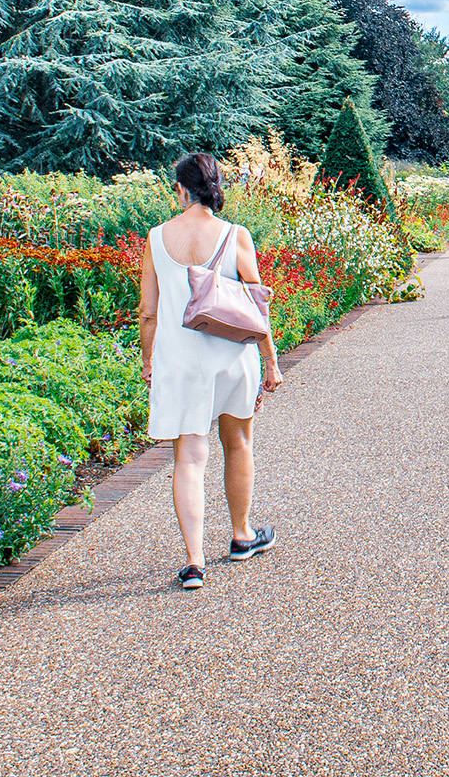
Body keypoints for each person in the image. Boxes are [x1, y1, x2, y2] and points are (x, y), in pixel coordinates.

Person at [138, 152, 284, 590]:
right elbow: (257, 306)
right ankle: (242, 536)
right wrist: (271, 362)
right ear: (216, 186)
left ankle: (195, 562)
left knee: (189, 456)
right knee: (237, 441)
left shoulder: (155, 237)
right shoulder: (236, 234)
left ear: (180, 189)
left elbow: (148, 312)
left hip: (179, 359)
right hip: (231, 355)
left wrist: (148, 360)